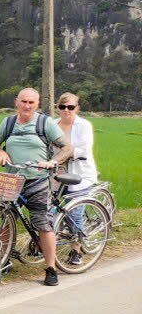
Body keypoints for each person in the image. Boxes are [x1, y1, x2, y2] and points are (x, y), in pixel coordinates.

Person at [0, 87, 72, 286]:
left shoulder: (45, 123)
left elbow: (67, 148)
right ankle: (3, 260)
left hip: (38, 179)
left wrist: (53, 161)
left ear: (37, 105)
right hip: (11, 179)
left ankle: (50, 268)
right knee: (5, 219)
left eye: (31, 103)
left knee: (43, 223)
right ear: (16, 102)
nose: (27, 106)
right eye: (23, 101)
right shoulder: (8, 122)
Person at [53, 92, 98, 263]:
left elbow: (83, 149)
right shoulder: (52, 124)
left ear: (77, 108)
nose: (66, 110)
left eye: (70, 107)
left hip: (80, 174)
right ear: (58, 108)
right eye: (62, 107)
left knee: (74, 212)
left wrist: (64, 154)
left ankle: (76, 250)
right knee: (51, 209)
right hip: (58, 174)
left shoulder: (84, 125)